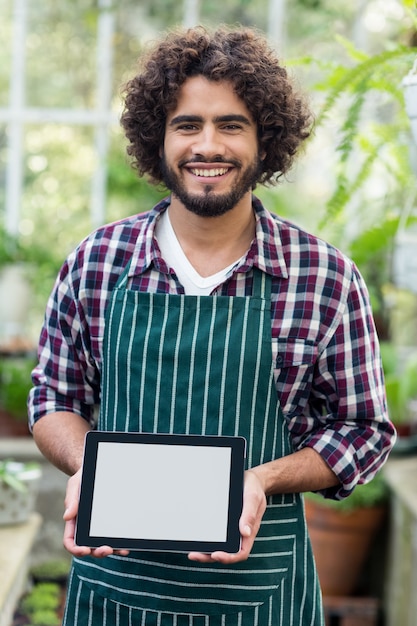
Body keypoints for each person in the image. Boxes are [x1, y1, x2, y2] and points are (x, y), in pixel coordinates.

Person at [28, 25, 396, 626]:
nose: (208, 145)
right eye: (187, 124)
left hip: (260, 597)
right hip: (116, 593)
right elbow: (52, 398)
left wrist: (260, 479)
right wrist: (92, 466)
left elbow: (364, 430)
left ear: (264, 140)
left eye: (231, 124)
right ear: (158, 138)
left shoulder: (323, 276)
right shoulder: (98, 261)